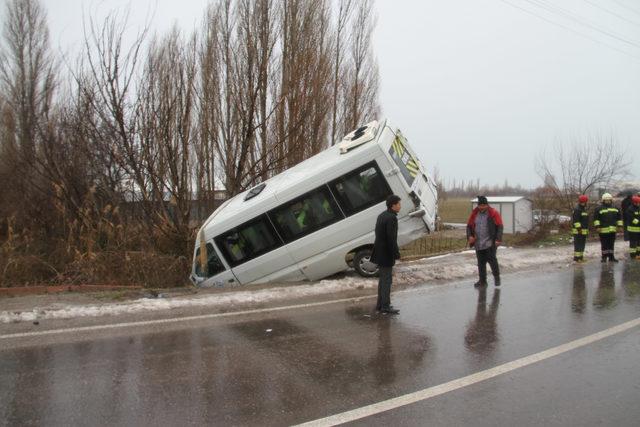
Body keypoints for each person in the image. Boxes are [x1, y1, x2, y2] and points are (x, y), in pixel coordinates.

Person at [371, 195, 402, 314]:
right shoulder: (392, 218)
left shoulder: (382, 215)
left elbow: (377, 233)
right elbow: (391, 238)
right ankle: (385, 306)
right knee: (386, 280)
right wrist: (396, 254)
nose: (400, 206)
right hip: (386, 253)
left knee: (382, 280)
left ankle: (380, 304)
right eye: (398, 204)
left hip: (379, 252)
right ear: (393, 205)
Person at [466, 196, 503, 288]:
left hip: (490, 242)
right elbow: (469, 226)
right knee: (481, 263)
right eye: (480, 205)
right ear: (478, 205)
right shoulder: (474, 214)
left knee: (492, 261)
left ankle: (497, 278)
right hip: (478, 243)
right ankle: (482, 281)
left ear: (487, 205)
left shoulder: (493, 213)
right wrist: (470, 236)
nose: (482, 207)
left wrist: (498, 239)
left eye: (483, 205)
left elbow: (500, 226)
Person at [593, 193, 623, 263]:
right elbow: (596, 219)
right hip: (603, 230)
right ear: (603, 200)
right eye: (606, 200)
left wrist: (620, 226)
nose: (608, 201)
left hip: (612, 230)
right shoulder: (598, 209)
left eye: (609, 200)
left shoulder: (616, 208)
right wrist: (597, 227)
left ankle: (611, 257)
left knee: (611, 244)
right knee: (604, 244)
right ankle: (604, 257)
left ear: (611, 200)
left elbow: (619, 218)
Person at [571, 195, 590, 262]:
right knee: (578, 245)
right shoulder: (577, 209)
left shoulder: (583, 209)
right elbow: (576, 221)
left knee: (582, 245)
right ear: (584, 202)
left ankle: (581, 257)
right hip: (578, 231)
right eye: (586, 202)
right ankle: (576, 258)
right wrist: (579, 229)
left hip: (583, 231)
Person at [625, 195, 640, 260]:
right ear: (634, 202)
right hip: (633, 230)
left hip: (639, 229)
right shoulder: (630, 209)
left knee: (639, 243)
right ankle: (633, 255)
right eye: (637, 202)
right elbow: (632, 219)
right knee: (633, 243)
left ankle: (638, 253)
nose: (638, 204)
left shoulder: (639, 208)